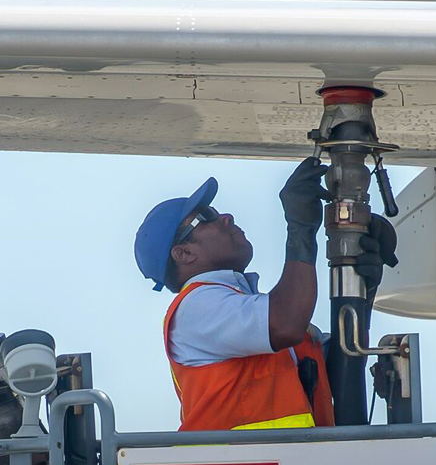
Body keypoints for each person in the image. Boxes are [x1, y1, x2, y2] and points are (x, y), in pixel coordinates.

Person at [134, 158, 396, 431]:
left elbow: (343, 369)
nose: (226, 217)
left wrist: (362, 290)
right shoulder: (195, 308)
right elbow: (286, 324)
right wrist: (300, 228)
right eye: (207, 217)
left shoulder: (246, 312)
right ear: (184, 253)